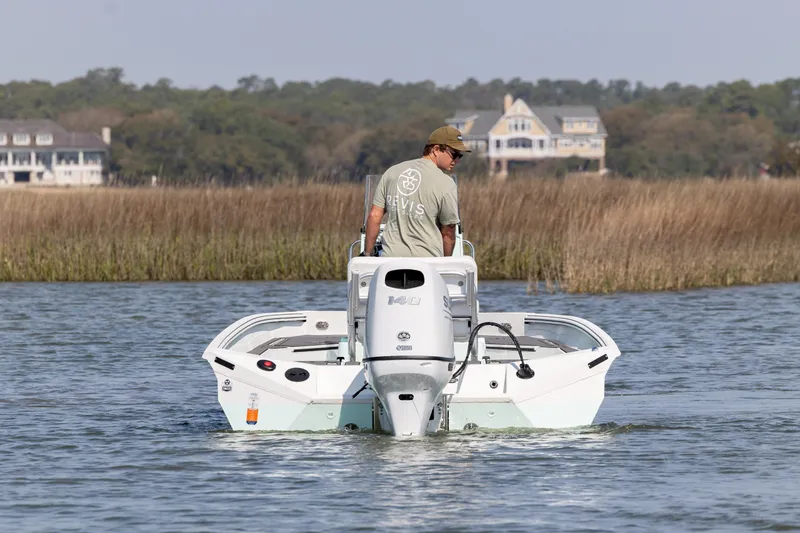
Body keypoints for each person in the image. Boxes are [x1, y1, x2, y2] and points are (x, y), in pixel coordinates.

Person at [363, 126, 470, 258]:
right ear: (436, 150)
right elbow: (449, 231)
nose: (457, 160)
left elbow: (374, 216)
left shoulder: (392, 172)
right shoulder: (446, 183)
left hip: (390, 261)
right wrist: (445, 261)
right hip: (427, 263)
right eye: (454, 154)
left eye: (460, 156)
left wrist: (367, 254)